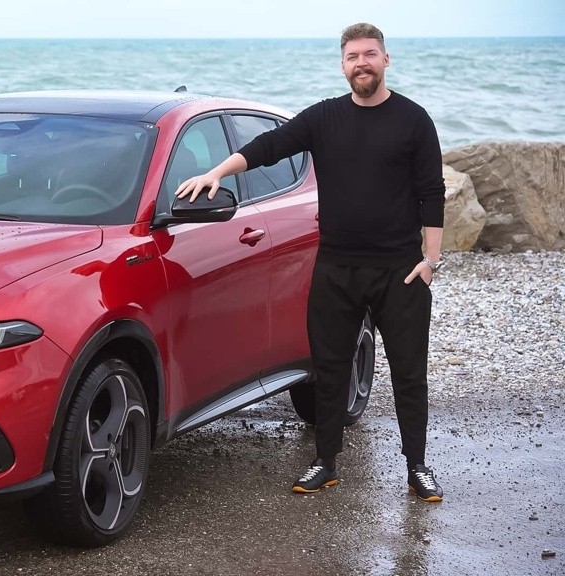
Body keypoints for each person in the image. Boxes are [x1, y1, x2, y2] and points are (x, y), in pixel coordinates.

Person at [175, 22, 446, 502]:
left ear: (386, 59)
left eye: (369, 54)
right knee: (330, 369)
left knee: (409, 373)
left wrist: (431, 260)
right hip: (336, 268)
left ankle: (417, 467)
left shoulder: (413, 120)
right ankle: (326, 462)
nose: (361, 63)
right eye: (352, 57)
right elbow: (268, 147)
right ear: (342, 66)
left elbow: (431, 191)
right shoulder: (324, 118)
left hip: (400, 271)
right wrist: (217, 172)